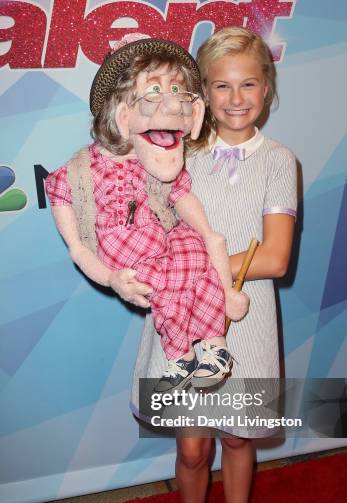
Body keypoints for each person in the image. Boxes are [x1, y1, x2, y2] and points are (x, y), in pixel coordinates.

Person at [131, 27, 297, 503]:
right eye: (220, 85)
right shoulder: (175, 154)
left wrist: (194, 264)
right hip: (183, 323)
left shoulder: (279, 161)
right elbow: (147, 231)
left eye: (248, 83)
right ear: (201, 92)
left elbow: (274, 258)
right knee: (194, 445)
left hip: (245, 319)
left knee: (237, 438)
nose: (234, 98)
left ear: (266, 87)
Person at [45, 34, 248, 393]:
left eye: (177, 91)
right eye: (153, 91)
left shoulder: (156, 166)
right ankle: (181, 357)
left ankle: (214, 348)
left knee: (195, 259)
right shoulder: (72, 177)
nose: (170, 106)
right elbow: (78, 249)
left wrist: (218, 263)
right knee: (165, 290)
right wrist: (110, 279)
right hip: (139, 268)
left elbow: (203, 228)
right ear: (119, 109)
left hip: (173, 248)